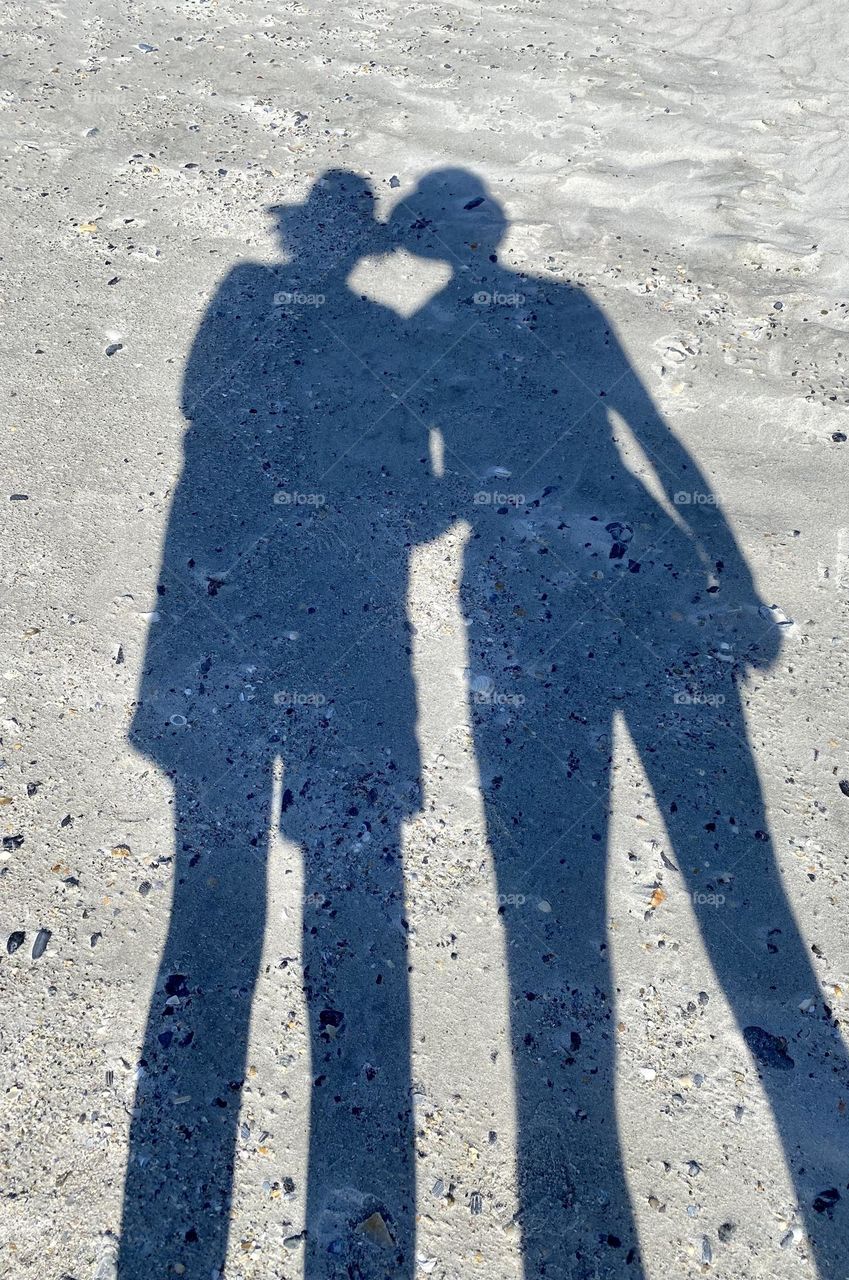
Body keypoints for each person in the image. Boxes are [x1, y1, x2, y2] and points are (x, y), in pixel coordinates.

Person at [388, 168, 849, 1280]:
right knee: (723, 863)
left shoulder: (423, 329)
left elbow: (430, 485)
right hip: (644, 565)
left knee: (548, 880)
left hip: (514, 589)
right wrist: (724, 575)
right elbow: (653, 434)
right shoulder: (568, 306)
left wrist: (443, 506)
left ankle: (568, 1161)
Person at [120, 170, 442, 1278]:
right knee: (330, 888)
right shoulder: (378, 331)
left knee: (215, 876)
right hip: (337, 620)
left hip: (223, 601)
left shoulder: (252, 294)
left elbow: (201, 402)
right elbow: (412, 485)